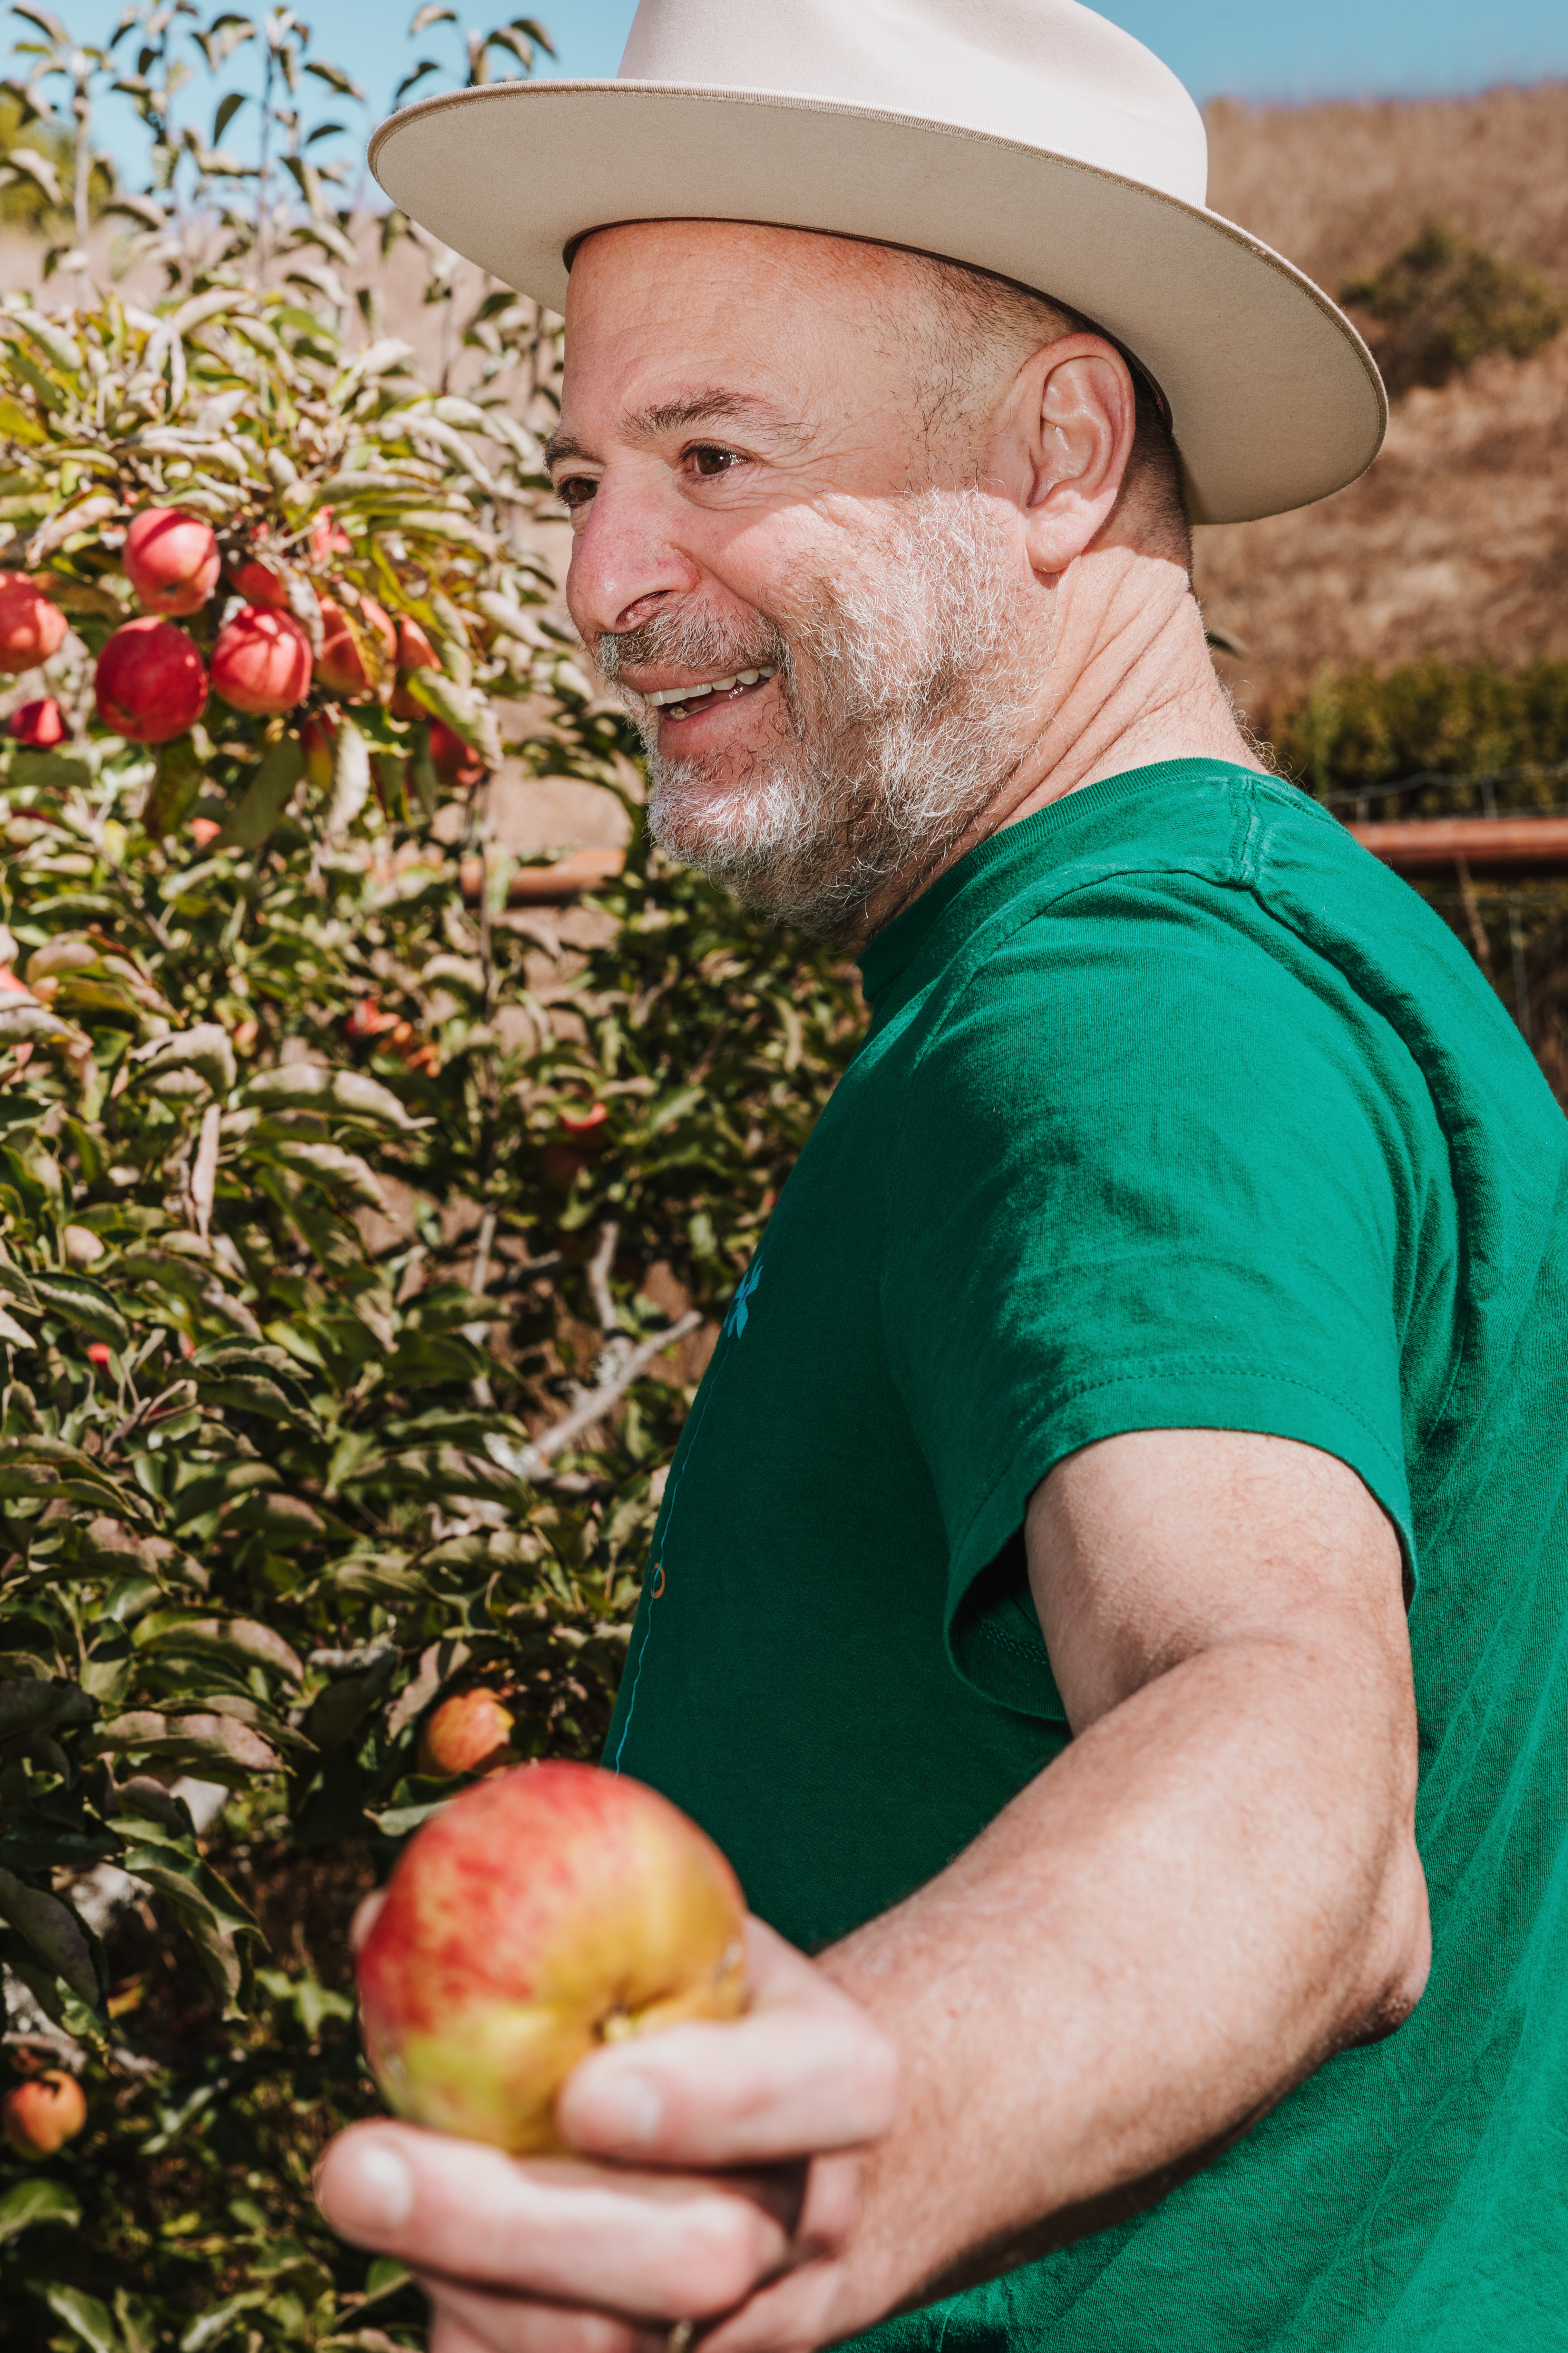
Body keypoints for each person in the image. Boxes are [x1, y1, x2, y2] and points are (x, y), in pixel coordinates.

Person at [318, 5, 1568, 2349]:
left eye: (710, 450)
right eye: (583, 468)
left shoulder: (1119, 1015)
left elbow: (1280, 1727)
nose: (604, 579)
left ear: (1061, 449)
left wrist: (817, 2160)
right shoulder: (1275, 940)